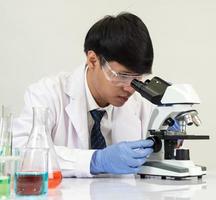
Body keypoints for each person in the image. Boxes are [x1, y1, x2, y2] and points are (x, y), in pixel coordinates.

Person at [12, 12, 155, 177]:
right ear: (92, 60)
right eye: (122, 76)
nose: (130, 89)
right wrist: (95, 160)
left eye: (137, 78)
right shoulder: (47, 94)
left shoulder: (143, 104)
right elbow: (21, 151)